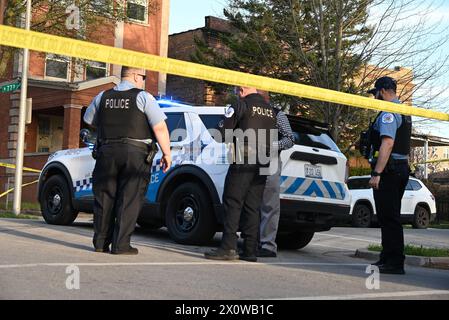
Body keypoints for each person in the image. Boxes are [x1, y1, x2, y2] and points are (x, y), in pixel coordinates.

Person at [84, 66, 171, 255]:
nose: (144, 80)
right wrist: (167, 153)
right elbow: (160, 128)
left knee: (104, 197)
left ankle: (100, 243)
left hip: (107, 152)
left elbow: (88, 119)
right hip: (135, 154)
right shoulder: (144, 97)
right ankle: (121, 245)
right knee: (129, 198)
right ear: (134, 75)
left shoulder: (102, 96)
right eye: (143, 77)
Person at [204, 86, 277, 262]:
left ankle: (228, 247)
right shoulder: (271, 110)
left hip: (243, 155)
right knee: (253, 205)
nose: (237, 92)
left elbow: (221, 135)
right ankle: (251, 250)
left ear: (243, 89)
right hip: (265, 159)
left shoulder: (240, 105)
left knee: (233, 201)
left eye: (238, 89)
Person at [367, 76, 412, 274]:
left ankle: (394, 262)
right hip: (399, 167)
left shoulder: (389, 112)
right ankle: (387, 257)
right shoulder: (404, 110)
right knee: (387, 216)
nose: (374, 97)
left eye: (375, 92)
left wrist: (377, 172)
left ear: (384, 90)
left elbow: (388, 143)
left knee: (389, 216)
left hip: (389, 170)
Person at [257, 91, 294, 258]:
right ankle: (250, 241)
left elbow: (289, 139)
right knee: (250, 203)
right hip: (249, 160)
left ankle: (267, 245)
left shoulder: (277, 114)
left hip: (270, 160)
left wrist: (270, 145)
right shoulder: (249, 111)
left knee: (269, 205)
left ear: (265, 96)